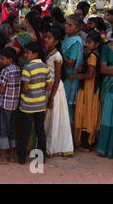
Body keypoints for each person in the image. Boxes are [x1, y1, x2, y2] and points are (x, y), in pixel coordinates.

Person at [17, 42, 52, 165]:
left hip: (27, 105)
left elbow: (25, 88)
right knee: (40, 131)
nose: (25, 55)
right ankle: (41, 158)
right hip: (40, 104)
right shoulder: (45, 66)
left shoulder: (27, 68)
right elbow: (49, 86)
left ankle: (21, 158)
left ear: (35, 54)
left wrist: (21, 91)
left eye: (27, 52)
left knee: (25, 132)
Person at [44, 26, 74, 157]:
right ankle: (47, 145)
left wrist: (51, 97)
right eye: (46, 37)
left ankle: (55, 147)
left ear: (56, 41)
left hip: (55, 90)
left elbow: (57, 78)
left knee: (55, 117)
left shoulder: (57, 55)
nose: (46, 39)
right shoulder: (48, 52)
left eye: (49, 38)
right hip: (48, 87)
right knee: (49, 118)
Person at [71, 31, 103, 151]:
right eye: (86, 42)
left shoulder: (92, 56)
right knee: (89, 114)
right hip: (92, 89)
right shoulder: (95, 55)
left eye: (89, 42)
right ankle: (88, 142)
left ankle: (86, 143)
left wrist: (77, 76)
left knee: (86, 114)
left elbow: (89, 75)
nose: (87, 44)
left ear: (97, 44)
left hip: (89, 89)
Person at [0, 47, 21, 165]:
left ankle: (3, 157)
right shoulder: (18, 70)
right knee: (12, 130)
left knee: (3, 129)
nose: (1, 61)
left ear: (10, 59)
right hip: (14, 105)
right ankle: (12, 155)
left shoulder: (5, 71)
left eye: (3, 59)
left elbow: (1, 90)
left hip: (4, 105)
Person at [62, 14, 84, 125]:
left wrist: (59, 54)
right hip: (64, 76)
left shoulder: (75, 42)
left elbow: (71, 63)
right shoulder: (67, 39)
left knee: (66, 108)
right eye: (66, 23)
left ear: (77, 28)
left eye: (70, 25)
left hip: (69, 78)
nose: (66, 26)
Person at [98, 37, 113, 158]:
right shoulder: (106, 48)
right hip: (109, 88)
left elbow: (108, 69)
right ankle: (104, 149)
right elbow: (103, 69)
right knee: (107, 118)